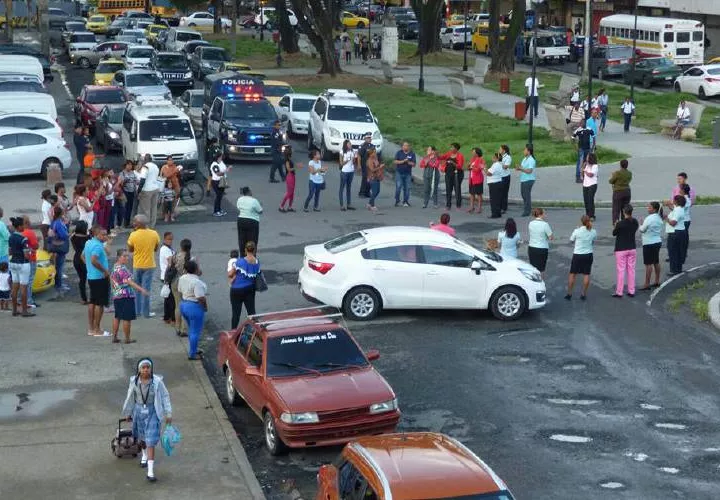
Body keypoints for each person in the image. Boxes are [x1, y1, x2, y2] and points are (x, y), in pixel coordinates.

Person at [121, 358, 172, 482]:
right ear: (139, 369)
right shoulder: (134, 381)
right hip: (138, 411)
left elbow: (165, 396)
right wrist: (128, 412)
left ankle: (150, 472)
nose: (145, 370)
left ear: (151, 369)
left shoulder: (157, 382)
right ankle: (143, 455)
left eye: (147, 367)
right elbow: (130, 396)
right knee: (142, 437)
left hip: (152, 412)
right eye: (143, 367)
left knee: (150, 441)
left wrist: (168, 413)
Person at [111, 249, 149, 344]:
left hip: (117, 295)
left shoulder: (115, 267)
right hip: (125, 295)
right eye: (124, 256)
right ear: (119, 257)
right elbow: (129, 282)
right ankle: (127, 339)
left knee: (117, 316)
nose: (127, 258)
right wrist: (141, 289)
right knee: (127, 318)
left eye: (127, 256)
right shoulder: (122, 269)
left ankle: (114, 337)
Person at [127, 214, 160, 319]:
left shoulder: (133, 235)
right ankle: (146, 313)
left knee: (137, 288)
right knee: (146, 288)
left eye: (135, 222)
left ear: (139, 224)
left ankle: (137, 311)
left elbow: (130, 249)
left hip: (137, 264)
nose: (133, 223)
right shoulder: (154, 234)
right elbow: (156, 248)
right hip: (149, 265)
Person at [82, 225, 110, 336]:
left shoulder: (88, 243)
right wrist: (104, 270)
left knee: (92, 302)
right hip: (99, 277)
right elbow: (93, 260)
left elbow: (82, 256)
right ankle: (97, 329)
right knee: (100, 304)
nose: (105, 236)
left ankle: (91, 328)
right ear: (96, 234)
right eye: (103, 234)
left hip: (91, 276)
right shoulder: (98, 246)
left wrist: (88, 266)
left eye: (105, 234)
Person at [178, 260, 207, 361]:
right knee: (195, 331)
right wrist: (205, 307)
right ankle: (192, 354)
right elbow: (200, 298)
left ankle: (193, 349)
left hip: (184, 304)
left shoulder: (182, 278)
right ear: (195, 269)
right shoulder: (197, 282)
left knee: (191, 329)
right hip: (194, 307)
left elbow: (180, 292)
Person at [229, 241, 260, 329]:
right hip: (250, 289)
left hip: (236, 290)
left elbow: (230, 274)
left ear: (245, 250)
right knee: (251, 312)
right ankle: (255, 332)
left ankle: (233, 332)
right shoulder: (257, 262)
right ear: (254, 251)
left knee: (236, 314)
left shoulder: (239, 262)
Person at [565, 215, 597, 301]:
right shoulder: (593, 231)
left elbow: (571, 240)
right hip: (588, 254)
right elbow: (593, 241)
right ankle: (583, 294)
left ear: (581, 222)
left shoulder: (577, 231)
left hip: (577, 255)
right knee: (586, 274)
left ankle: (569, 293)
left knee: (573, 274)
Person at [8, 217, 34, 317]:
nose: (24, 227)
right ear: (19, 227)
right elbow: (27, 255)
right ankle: (24, 311)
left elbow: (10, 251)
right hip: (23, 264)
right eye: (23, 225)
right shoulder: (23, 239)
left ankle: (14, 310)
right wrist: (31, 251)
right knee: (24, 288)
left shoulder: (11, 237)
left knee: (14, 287)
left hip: (13, 262)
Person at [612, 204, 639, 298]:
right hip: (632, 248)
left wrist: (616, 225)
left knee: (621, 270)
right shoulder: (635, 222)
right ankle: (631, 290)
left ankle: (619, 291)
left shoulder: (620, 223)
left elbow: (614, 233)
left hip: (621, 249)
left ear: (624, 212)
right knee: (631, 270)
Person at [168, 238, 192, 337]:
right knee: (186, 305)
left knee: (178, 305)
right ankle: (184, 329)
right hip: (186, 282)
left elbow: (169, 267)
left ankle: (177, 327)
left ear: (181, 246)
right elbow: (197, 271)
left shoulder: (174, 256)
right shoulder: (191, 258)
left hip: (175, 281)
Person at [639, 202, 664, 290]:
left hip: (648, 242)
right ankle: (657, 280)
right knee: (656, 262)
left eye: (649, 207)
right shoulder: (659, 218)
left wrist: (641, 224)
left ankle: (647, 283)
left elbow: (642, 230)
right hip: (657, 241)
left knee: (648, 264)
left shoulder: (649, 218)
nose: (647, 208)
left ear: (654, 209)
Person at [236, 187, 263, 257]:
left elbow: (239, 207)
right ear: (248, 192)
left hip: (241, 220)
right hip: (252, 221)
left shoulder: (239, 199)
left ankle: (242, 256)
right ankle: (251, 256)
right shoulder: (254, 201)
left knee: (242, 239)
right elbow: (260, 211)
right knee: (252, 240)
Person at [49, 206, 70, 295]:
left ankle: (58, 283)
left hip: (55, 246)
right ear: (61, 214)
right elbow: (63, 235)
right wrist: (68, 234)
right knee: (60, 267)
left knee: (58, 266)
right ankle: (59, 285)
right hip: (60, 247)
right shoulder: (58, 223)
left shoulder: (54, 222)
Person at [664, 195, 686, 276]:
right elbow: (674, 210)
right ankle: (678, 269)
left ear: (676, 201)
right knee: (678, 251)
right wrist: (669, 206)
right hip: (680, 232)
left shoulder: (677, 211)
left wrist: (666, 218)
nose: (672, 201)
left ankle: (673, 270)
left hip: (674, 232)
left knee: (672, 252)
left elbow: (673, 223)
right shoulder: (680, 209)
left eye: (673, 200)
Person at [527, 208, 553, 278]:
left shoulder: (530, 223)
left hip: (532, 247)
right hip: (542, 248)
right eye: (544, 213)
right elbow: (550, 237)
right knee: (541, 269)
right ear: (541, 214)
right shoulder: (545, 224)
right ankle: (540, 285)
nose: (545, 215)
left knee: (533, 268)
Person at [137, 154, 160, 228]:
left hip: (147, 189)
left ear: (145, 160)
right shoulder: (156, 166)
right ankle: (152, 225)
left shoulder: (145, 167)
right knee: (153, 208)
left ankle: (146, 226)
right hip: (155, 188)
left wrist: (138, 191)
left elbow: (142, 180)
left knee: (146, 209)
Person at [21, 216, 40, 308]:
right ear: (27, 223)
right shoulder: (30, 232)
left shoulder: (19, 233)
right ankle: (29, 300)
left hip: (20, 259)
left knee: (21, 280)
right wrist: (37, 242)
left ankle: (20, 299)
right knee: (29, 280)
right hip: (31, 259)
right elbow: (36, 246)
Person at [439, 143, 465, 210]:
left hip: (457, 174)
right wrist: (436, 154)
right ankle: (448, 205)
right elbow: (441, 157)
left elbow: (460, 166)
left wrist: (453, 163)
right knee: (448, 189)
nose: (451, 148)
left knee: (457, 189)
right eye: (451, 147)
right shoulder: (449, 153)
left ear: (456, 149)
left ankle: (458, 205)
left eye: (452, 147)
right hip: (448, 174)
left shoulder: (460, 156)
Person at [71, 220, 91, 304]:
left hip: (76, 259)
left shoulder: (73, 237)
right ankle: (92, 297)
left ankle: (84, 299)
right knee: (90, 278)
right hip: (85, 259)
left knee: (82, 279)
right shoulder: (88, 238)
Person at [158, 232, 175, 325]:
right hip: (168, 275)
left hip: (166, 275)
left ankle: (167, 316)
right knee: (171, 298)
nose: (170, 241)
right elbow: (171, 261)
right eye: (168, 239)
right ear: (164, 239)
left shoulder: (168, 249)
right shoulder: (165, 249)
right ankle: (171, 318)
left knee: (168, 298)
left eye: (171, 239)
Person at [609, 159, 632, 224]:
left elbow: (611, 181)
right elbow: (629, 180)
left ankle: (616, 223)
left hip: (618, 192)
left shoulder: (617, 173)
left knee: (616, 209)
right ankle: (625, 222)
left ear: (620, 165)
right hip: (627, 191)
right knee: (625, 208)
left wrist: (613, 175)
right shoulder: (629, 173)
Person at [279, 145, 301, 212]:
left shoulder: (289, 158)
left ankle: (290, 207)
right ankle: (281, 206)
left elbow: (292, 166)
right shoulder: (287, 160)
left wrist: (297, 165)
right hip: (290, 176)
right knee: (289, 193)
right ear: (289, 151)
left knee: (292, 193)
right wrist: (296, 167)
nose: (293, 150)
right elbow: (288, 169)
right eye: (291, 149)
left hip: (292, 176)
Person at [516, 144, 536, 217]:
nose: (524, 151)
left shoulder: (531, 160)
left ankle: (527, 211)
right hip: (524, 179)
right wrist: (519, 168)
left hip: (529, 179)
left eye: (525, 150)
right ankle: (527, 209)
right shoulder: (524, 159)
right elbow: (523, 168)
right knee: (523, 195)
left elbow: (529, 171)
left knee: (526, 195)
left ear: (529, 151)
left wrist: (521, 169)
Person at [394, 142, 416, 207]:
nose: (405, 147)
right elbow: (395, 161)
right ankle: (397, 200)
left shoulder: (412, 154)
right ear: (402, 146)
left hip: (408, 173)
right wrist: (403, 161)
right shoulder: (399, 153)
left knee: (407, 188)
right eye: (404, 146)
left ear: (409, 147)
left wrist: (408, 162)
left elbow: (414, 164)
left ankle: (405, 201)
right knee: (398, 187)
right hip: (399, 172)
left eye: (406, 146)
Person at [117, 160, 138, 228]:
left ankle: (127, 222)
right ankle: (121, 223)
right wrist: (125, 181)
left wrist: (136, 182)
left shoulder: (133, 173)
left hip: (132, 191)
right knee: (124, 207)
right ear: (125, 165)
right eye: (128, 165)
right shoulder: (122, 173)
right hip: (125, 192)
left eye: (131, 165)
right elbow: (120, 183)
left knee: (130, 207)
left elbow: (136, 181)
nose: (130, 166)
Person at [572, 119, 594, 183]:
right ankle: (578, 177)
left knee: (587, 162)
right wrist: (576, 147)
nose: (581, 124)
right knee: (580, 163)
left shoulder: (589, 129)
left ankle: (585, 175)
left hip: (588, 148)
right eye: (581, 123)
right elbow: (572, 138)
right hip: (581, 149)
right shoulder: (578, 130)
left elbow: (594, 137)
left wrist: (592, 147)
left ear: (585, 123)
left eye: (583, 123)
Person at [339, 139, 357, 210]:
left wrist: (354, 159)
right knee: (342, 188)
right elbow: (341, 163)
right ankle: (341, 205)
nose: (350, 145)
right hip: (344, 172)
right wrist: (347, 159)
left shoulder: (352, 151)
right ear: (345, 145)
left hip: (351, 171)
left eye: (350, 144)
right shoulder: (342, 152)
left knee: (349, 188)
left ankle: (349, 204)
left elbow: (353, 162)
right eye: (349, 144)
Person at [210, 151, 229, 217]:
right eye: (221, 156)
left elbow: (224, 169)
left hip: (222, 180)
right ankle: (215, 211)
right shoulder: (214, 164)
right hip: (216, 182)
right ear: (218, 157)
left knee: (220, 196)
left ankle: (219, 209)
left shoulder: (221, 162)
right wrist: (226, 171)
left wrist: (226, 170)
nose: (222, 158)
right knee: (218, 196)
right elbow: (218, 173)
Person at [486, 153, 504, 219]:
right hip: (498, 182)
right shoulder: (499, 164)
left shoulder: (495, 165)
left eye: (493, 157)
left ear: (497, 158)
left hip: (494, 184)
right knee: (497, 199)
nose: (492, 158)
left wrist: (484, 168)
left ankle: (494, 214)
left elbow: (489, 173)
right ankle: (498, 213)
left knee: (493, 200)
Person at [366, 148, 384, 212]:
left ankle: (369, 203)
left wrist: (380, 169)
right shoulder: (369, 160)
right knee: (374, 192)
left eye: (375, 152)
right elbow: (372, 170)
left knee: (377, 191)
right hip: (372, 177)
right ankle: (372, 205)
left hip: (377, 177)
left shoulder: (375, 159)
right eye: (374, 152)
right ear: (370, 154)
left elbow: (377, 166)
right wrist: (380, 167)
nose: (375, 153)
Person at [581, 152, 599, 220]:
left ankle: (592, 215)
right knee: (586, 200)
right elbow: (582, 174)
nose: (586, 158)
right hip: (585, 184)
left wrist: (585, 171)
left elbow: (591, 175)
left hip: (592, 184)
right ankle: (587, 214)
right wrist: (583, 167)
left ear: (591, 158)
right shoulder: (586, 165)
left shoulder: (595, 166)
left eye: (588, 157)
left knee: (590, 199)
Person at [467, 148, 485, 213]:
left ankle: (479, 208)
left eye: (473, 152)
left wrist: (472, 167)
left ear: (477, 153)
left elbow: (478, 169)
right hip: (471, 179)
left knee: (479, 194)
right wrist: (468, 167)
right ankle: (472, 207)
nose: (472, 153)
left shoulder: (481, 160)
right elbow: (469, 168)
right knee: (472, 193)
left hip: (478, 179)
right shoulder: (472, 159)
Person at [356, 132, 373, 198]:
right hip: (364, 165)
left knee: (370, 178)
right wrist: (359, 164)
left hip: (371, 165)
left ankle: (367, 192)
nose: (369, 139)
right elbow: (359, 155)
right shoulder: (362, 146)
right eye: (368, 138)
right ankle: (362, 192)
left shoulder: (372, 146)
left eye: (370, 138)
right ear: (365, 138)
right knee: (365, 178)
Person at [681, 183, 691, 266]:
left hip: (685, 221)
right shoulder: (685, 198)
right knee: (683, 239)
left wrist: (670, 205)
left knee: (683, 240)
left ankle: (682, 257)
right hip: (684, 220)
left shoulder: (685, 199)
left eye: (680, 189)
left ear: (683, 191)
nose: (679, 191)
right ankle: (681, 256)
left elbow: (679, 209)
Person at [499, 145, 512, 214]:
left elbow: (505, 166)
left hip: (505, 176)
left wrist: (498, 162)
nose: (499, 150)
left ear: (504, 150)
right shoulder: (500, 156)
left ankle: (504, 208)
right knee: (500, 192)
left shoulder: (508, 157)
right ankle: (500, 206)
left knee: (504, 192)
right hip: (500, 176)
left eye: (500, 149)